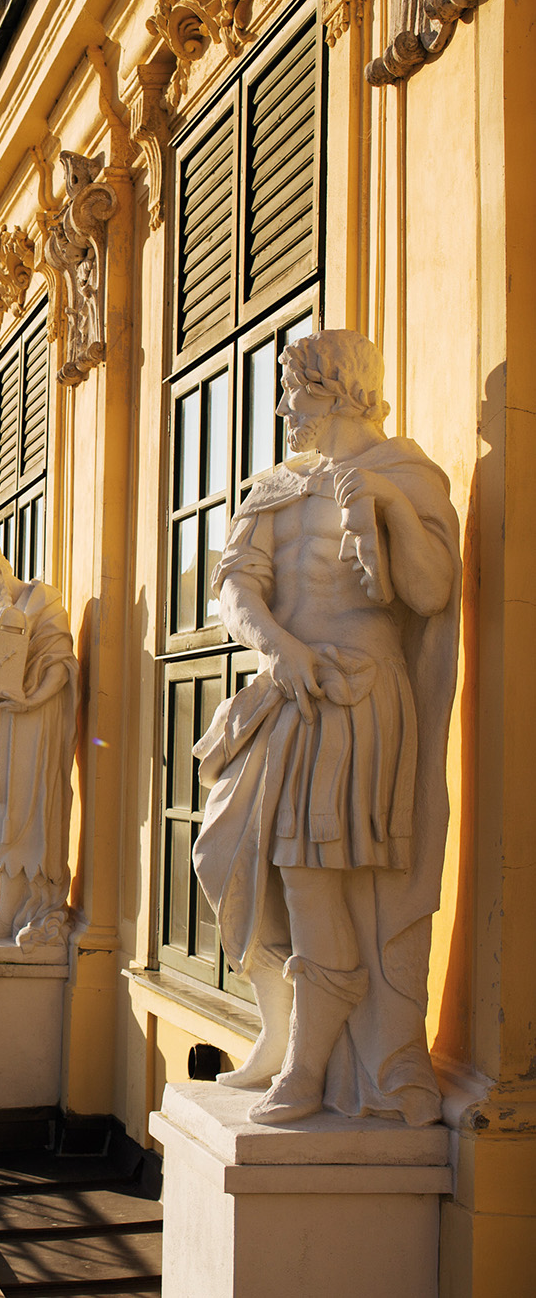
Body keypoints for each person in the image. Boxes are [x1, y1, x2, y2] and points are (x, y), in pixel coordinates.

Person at [191, 329, 460, 1126]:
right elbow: (238, 586)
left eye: (293, 393)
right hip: (290, 694)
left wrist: (386, 515)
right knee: (225, 854)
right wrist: (278, 648)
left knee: (314, 877)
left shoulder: (405, 477)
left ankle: (313, 1068)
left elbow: (431, 592)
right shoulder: (274, 488)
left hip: (359, 701)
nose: (282, 410)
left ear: (340, 390)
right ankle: (287, 1040)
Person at [0, 539, 79, 949]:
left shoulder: (43, 605)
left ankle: (21, 908)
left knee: (24, 810)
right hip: (2, 726)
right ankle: (8, 907)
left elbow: (61, 663)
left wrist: (32, 699)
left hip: (34, 727)